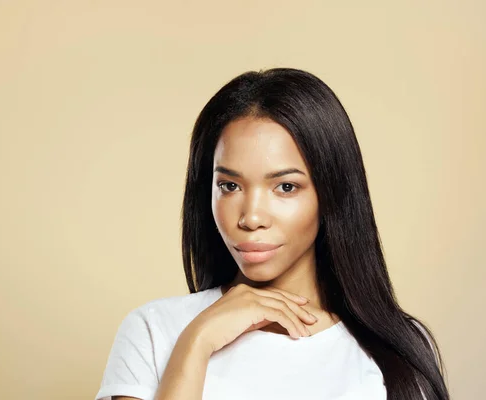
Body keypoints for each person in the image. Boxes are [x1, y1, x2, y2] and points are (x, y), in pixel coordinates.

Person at [95, 68, 449, 400]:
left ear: (330, 194)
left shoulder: (395, 352)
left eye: (285, 187)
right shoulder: (154, 331)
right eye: (230, 185)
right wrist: (196, 342)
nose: (250, 217)